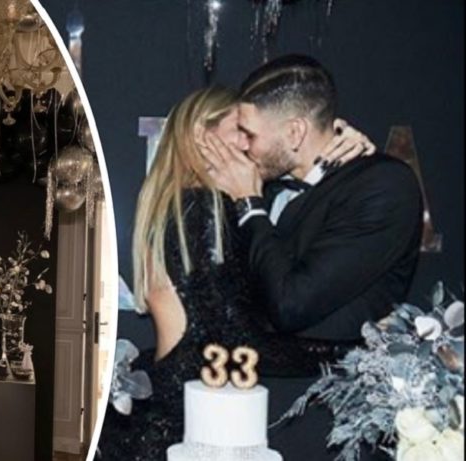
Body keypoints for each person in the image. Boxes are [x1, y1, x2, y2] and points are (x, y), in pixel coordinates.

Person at [96, 86, 372, 460]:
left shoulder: (177, 202)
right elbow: (235, 336)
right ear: (200, 134)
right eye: (240, 130)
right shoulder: (205, 205)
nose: (251, 144)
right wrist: (354, 352)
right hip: (191, 417)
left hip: (176, 395)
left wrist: (338, 153)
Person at [202, 55, 423, 459]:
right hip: (241, 409)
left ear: (295, 131)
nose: (242, 145)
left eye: (249, 133)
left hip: (324, 425)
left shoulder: (383, 186)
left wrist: (249, 204)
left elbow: (292, 303)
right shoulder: (268, 184)